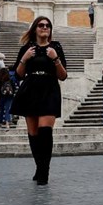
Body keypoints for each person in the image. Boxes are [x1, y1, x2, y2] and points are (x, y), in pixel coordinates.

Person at [11, 16, 68, 185]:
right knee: (33, 134)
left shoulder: (56, 47)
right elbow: (19, 75)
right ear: (35, 28)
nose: (45, 28)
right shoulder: (27, 48)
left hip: (49, 88)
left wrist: (55, 59)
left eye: (47, 25)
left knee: (45, 132)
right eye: (41, 25)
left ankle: (44, 171)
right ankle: (39, 166)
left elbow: (63, 76)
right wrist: (25, 58)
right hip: (30, 89)